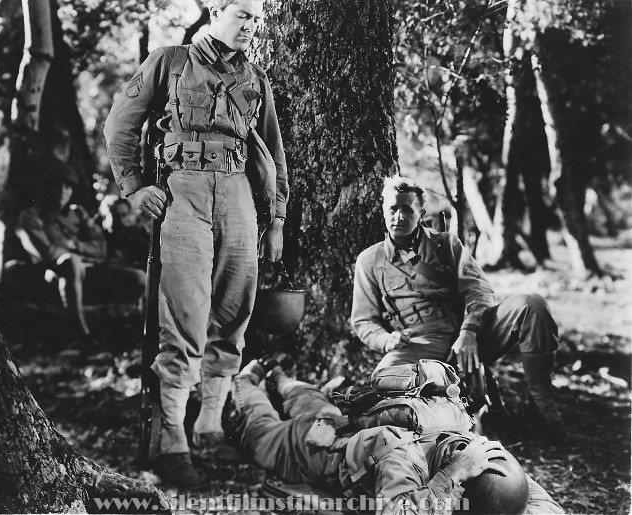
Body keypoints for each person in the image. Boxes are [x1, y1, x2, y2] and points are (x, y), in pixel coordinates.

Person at [104, 0, 289, 486]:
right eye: (243, 14)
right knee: (184, 312)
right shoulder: (168, 61)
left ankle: (209, 427)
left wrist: (277, 221)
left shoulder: (256, 78)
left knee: (233, 312)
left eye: (257, 17)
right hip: (181, 193)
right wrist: (135, 186)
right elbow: (119, 124)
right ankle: (172, 440)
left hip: (238, 198)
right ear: (215, 9)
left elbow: (272, 150)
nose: (253, 25)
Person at [351, 175, 564, 442]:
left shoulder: (445, 245)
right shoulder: (369, 261)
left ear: (421, 213)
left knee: (531, 305)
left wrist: (470, 331)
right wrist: (386, 339)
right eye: (393, 208)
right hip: (418, 344)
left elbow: (479, 290)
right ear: (383, 211)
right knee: (383, 381)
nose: (399, 216)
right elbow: (363, 321)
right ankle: (462, 408)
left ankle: (541, 406)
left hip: (468, 335)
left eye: (407, 209)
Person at [232, 359, 564, 515]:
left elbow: (545, 508)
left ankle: (280, 375)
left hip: (342, 426)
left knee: (312, 402)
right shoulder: (405, 457)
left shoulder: (484, 456)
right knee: (261, 429)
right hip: (307, 448)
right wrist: (451, 477)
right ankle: (250, 379)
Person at [16, 163, 146, 343]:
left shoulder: (78, 213)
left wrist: (73, 244)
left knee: (139, 277)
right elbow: (47, 253)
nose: (63, 191)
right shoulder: (31, 216)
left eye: (67, 186)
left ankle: (143, 332)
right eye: (57, 186)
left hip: (89, 272)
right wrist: (79, 254)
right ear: (47, 189)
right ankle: (82, 333)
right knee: (71, 262)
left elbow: (100, 248)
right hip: (52, 275)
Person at [101, 195, 149, 270]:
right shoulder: (104, 235)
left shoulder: (138, 231)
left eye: (124, 215)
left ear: (129, 213)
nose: (120, 219)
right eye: (116, 215)